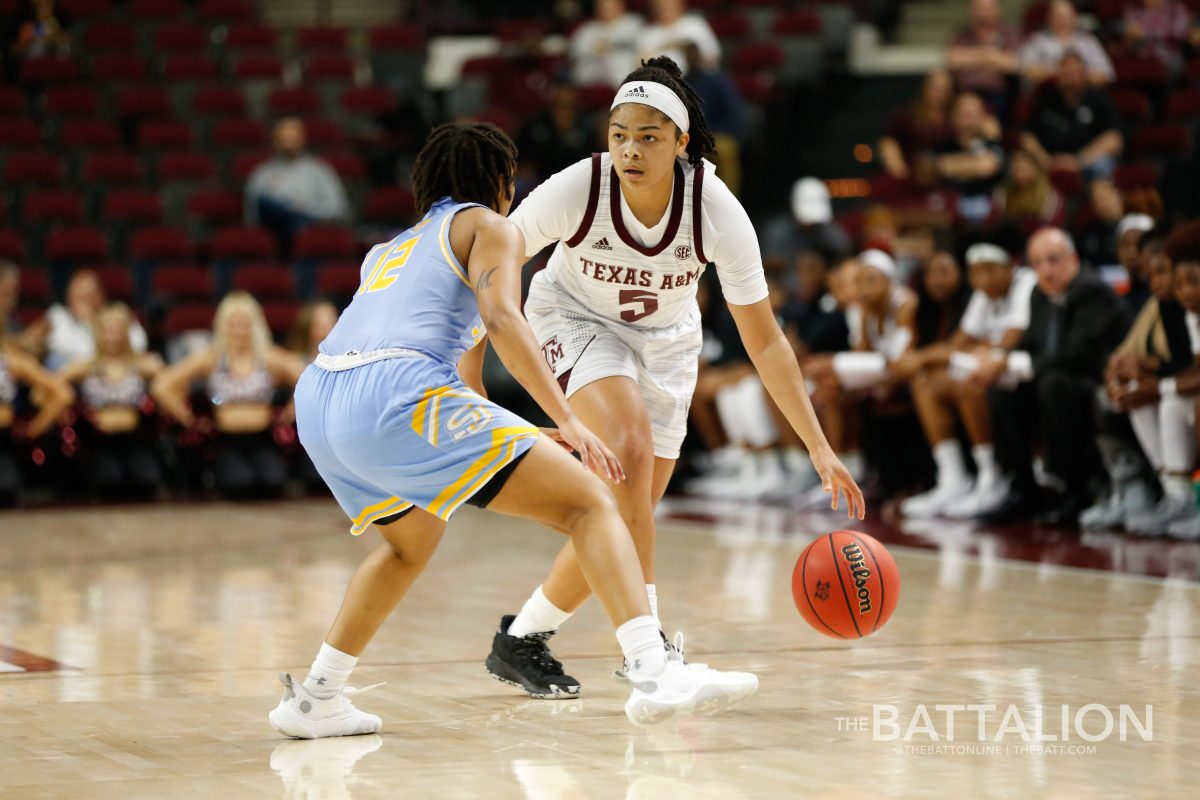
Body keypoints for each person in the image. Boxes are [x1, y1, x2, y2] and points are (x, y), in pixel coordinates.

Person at [267, 121, 759, 738]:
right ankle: (652, 671)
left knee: (405, 546)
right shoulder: (492, 226)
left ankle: (316, 698)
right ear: (498, 179)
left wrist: (509, 425)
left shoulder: (387, 249)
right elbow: (501, 317)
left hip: (321, 398)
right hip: (398, 391)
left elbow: (451, 355)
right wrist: (569, 420)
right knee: (593, 503)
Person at [488, 58, 864, 698]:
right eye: (619, 135)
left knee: (624, 509)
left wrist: (818, 444)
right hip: (571, 317)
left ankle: (522, 638)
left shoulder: (715, 210)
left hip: (667, 342)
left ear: (682, 143)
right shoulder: (580, 188)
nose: (631, 149)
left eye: (650, 136)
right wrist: (467, 369)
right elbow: (490, 258)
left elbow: (765, 340)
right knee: (629, 453)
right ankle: (648, 651)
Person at [982, 227, 1129, 525]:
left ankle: (1076, 488)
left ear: (1073, 258)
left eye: (1054, 260)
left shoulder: (1092, 291)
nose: (1046, 270)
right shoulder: (1040, 292)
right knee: (1002, 388)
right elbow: (1033, 340)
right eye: (1037, 263)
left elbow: (1078, 354)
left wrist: (1021, 365)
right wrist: (1000, 360)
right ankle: (1022, 487)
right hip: (1056, 376)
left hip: (1094, 380)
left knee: (1054, 386)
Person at [901, 244, 1035, 518]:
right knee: (927, 385)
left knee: (968, 383)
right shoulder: (984, 295)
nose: (983, 280)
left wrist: (925, 356)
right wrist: (930, 357)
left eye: (990, 271)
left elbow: (1013, 337)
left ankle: (992, 475)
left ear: (1009, 266)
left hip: (1026, 367)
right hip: (994, 369)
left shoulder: (1026, 283)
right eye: (976, 273)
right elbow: (957, 343)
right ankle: (953, 478)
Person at [152, 293, 306, 498]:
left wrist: (289, 413)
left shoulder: (269, 357)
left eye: (245, 324)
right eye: (233, 324)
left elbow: (308, 379)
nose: (240, 330)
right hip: (226, 441)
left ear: (256, 325)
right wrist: (188, 418)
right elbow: (161, 385)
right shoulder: (212, 358)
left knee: (273, 482)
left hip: (262, 439)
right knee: (239, 484)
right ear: (223, 326)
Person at [1094, 229, 1190, 531]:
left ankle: (1184, 497)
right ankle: (1170, 494)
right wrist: (1118, 377)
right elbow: (1122, 356)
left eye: (1162, 272)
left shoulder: (1189, 306)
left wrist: (1152, 374)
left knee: (1168, 402)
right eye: (1150, 276)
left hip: (1183, 391)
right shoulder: (1158, 305)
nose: (1157, 282)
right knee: (1121, 396)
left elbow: (1187, 365)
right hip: (1176, 386)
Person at [59, 303, 165, 497]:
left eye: (118, 331)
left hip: (136, 440)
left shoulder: (144, 365)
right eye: (108, 331)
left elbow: (170, 382)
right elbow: (49, 387)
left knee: (147, 484)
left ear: (127, 333)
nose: (113, 337)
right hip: (100, 442)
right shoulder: (84, 366)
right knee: (110, 485)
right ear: (98, 333)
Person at [245, 118, 351, 256]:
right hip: (274, 233)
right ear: (275, 141)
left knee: (300, 224)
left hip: (311, 229)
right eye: (283, 138)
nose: (288, 143)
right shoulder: (261, 174)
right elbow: (252, 216)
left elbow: (337, 208)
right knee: (266, 202)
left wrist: (303, 209)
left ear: (303, 139)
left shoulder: (320, 171)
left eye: (293, 138)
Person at [0, 319, 74, 506]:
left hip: (4, 442)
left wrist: (34, 428)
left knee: (7, 490)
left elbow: (63, 394)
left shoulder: (13, 361)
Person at [1021, 52, 1122, 183]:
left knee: (1103, 164)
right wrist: (1045, 160)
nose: (1071, 79)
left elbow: (1114, 139)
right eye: (1066, 74)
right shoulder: (1046, 99)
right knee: (1021, 165)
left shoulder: (1099, 99)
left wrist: (1078, 161)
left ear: (1085, 74)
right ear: (1059, 76)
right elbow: (1027, 137)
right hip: (1049, 162)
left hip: (1086, 162)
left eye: (1075, 73)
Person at [21, 270, 149, 371]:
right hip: (67, 370)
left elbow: (139, 343)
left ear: (100, 297)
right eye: (77, 295)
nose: (81, 301)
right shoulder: (57, 315)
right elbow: (28, 342)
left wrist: (93, 323)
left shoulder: (116, 315)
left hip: (106, 368)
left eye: (87, 296)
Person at [934, 93, 1006, 226]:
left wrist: (958, 166)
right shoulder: (943, 144)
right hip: (951, 208)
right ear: (954, 117)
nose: (970, 121)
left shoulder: (992, 144)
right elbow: (942, 168)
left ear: (983, 117)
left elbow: (988, 167)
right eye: (965, 115)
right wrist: (975, 165)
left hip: (989, 206)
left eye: (974, 115)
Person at [878, 68, 955, 187]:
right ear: (925, 87)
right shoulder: (907, 114)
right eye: (935, 88)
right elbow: (888, 141)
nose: (939, 94)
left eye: (944, 90)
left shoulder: (955, 116)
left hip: (946, 180)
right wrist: (899, 169)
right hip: (909, 177)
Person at [945, 0, 1020, 114]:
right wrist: (989, 55)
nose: (985, 13)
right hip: (965, 93)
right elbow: (953, 60)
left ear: (998, 10)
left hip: (999, 97)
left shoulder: (1009, 34)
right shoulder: (961, 35)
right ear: (972, 10)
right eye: (980, 9)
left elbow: (1014, 64)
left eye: (989, 8)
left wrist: (970, 57)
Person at [1019, 0, 1115, 87]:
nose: (1062, 21)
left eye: (1066, 17)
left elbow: (1106, 75)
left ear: (1075, 17)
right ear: (1049, 18)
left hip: (1084, 95)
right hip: (1048, 94)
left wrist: (1077, 76)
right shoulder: (1037, 41)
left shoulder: (1088, 41)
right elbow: (1025, 69)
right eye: (1057, 16)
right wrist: (1060, 75)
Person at [761, 177, 852, 264]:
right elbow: (772, 265)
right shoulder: (778, 233)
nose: (810, 225)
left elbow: (844, 249)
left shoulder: (828, 231)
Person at [569, 0, 642, 86]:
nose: (607, 11)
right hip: (590, 80)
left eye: (611, 7)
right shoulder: (587, 29)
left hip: (622, 78)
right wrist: (593, 50)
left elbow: (642, 46)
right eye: (603, 8)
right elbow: (574, 52)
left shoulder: (634, 24)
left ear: (621, 7)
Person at [636, 0, 721, 74]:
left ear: (680, 5)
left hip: (697, 78)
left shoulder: (695, 24)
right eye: (661, 6)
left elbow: (712, 55)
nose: (666, 9)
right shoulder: (648, 33)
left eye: (670, 5)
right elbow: (641, 63)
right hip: (663, 83)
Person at [995, 149, 1064, 234]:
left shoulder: (1050, 197)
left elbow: (1055, 228)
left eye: (1027, 170)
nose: (1022, 175)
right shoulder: (1002, 195)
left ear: (1038, 170)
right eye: (1018, 170)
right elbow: (995, 225)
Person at [1121, 0, 1198, 73]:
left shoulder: (1176, 9)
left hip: (1170, 57)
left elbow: (1182, 33)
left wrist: (1146, 34)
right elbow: (1129, 34)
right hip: (1141, 56)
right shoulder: (1133, 10)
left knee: (1176, 64)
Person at [287, 299, 340, 364]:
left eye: (332, 321)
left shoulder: (346, 359)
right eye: (320, 325)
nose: (328, 331)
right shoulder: (294, 362)